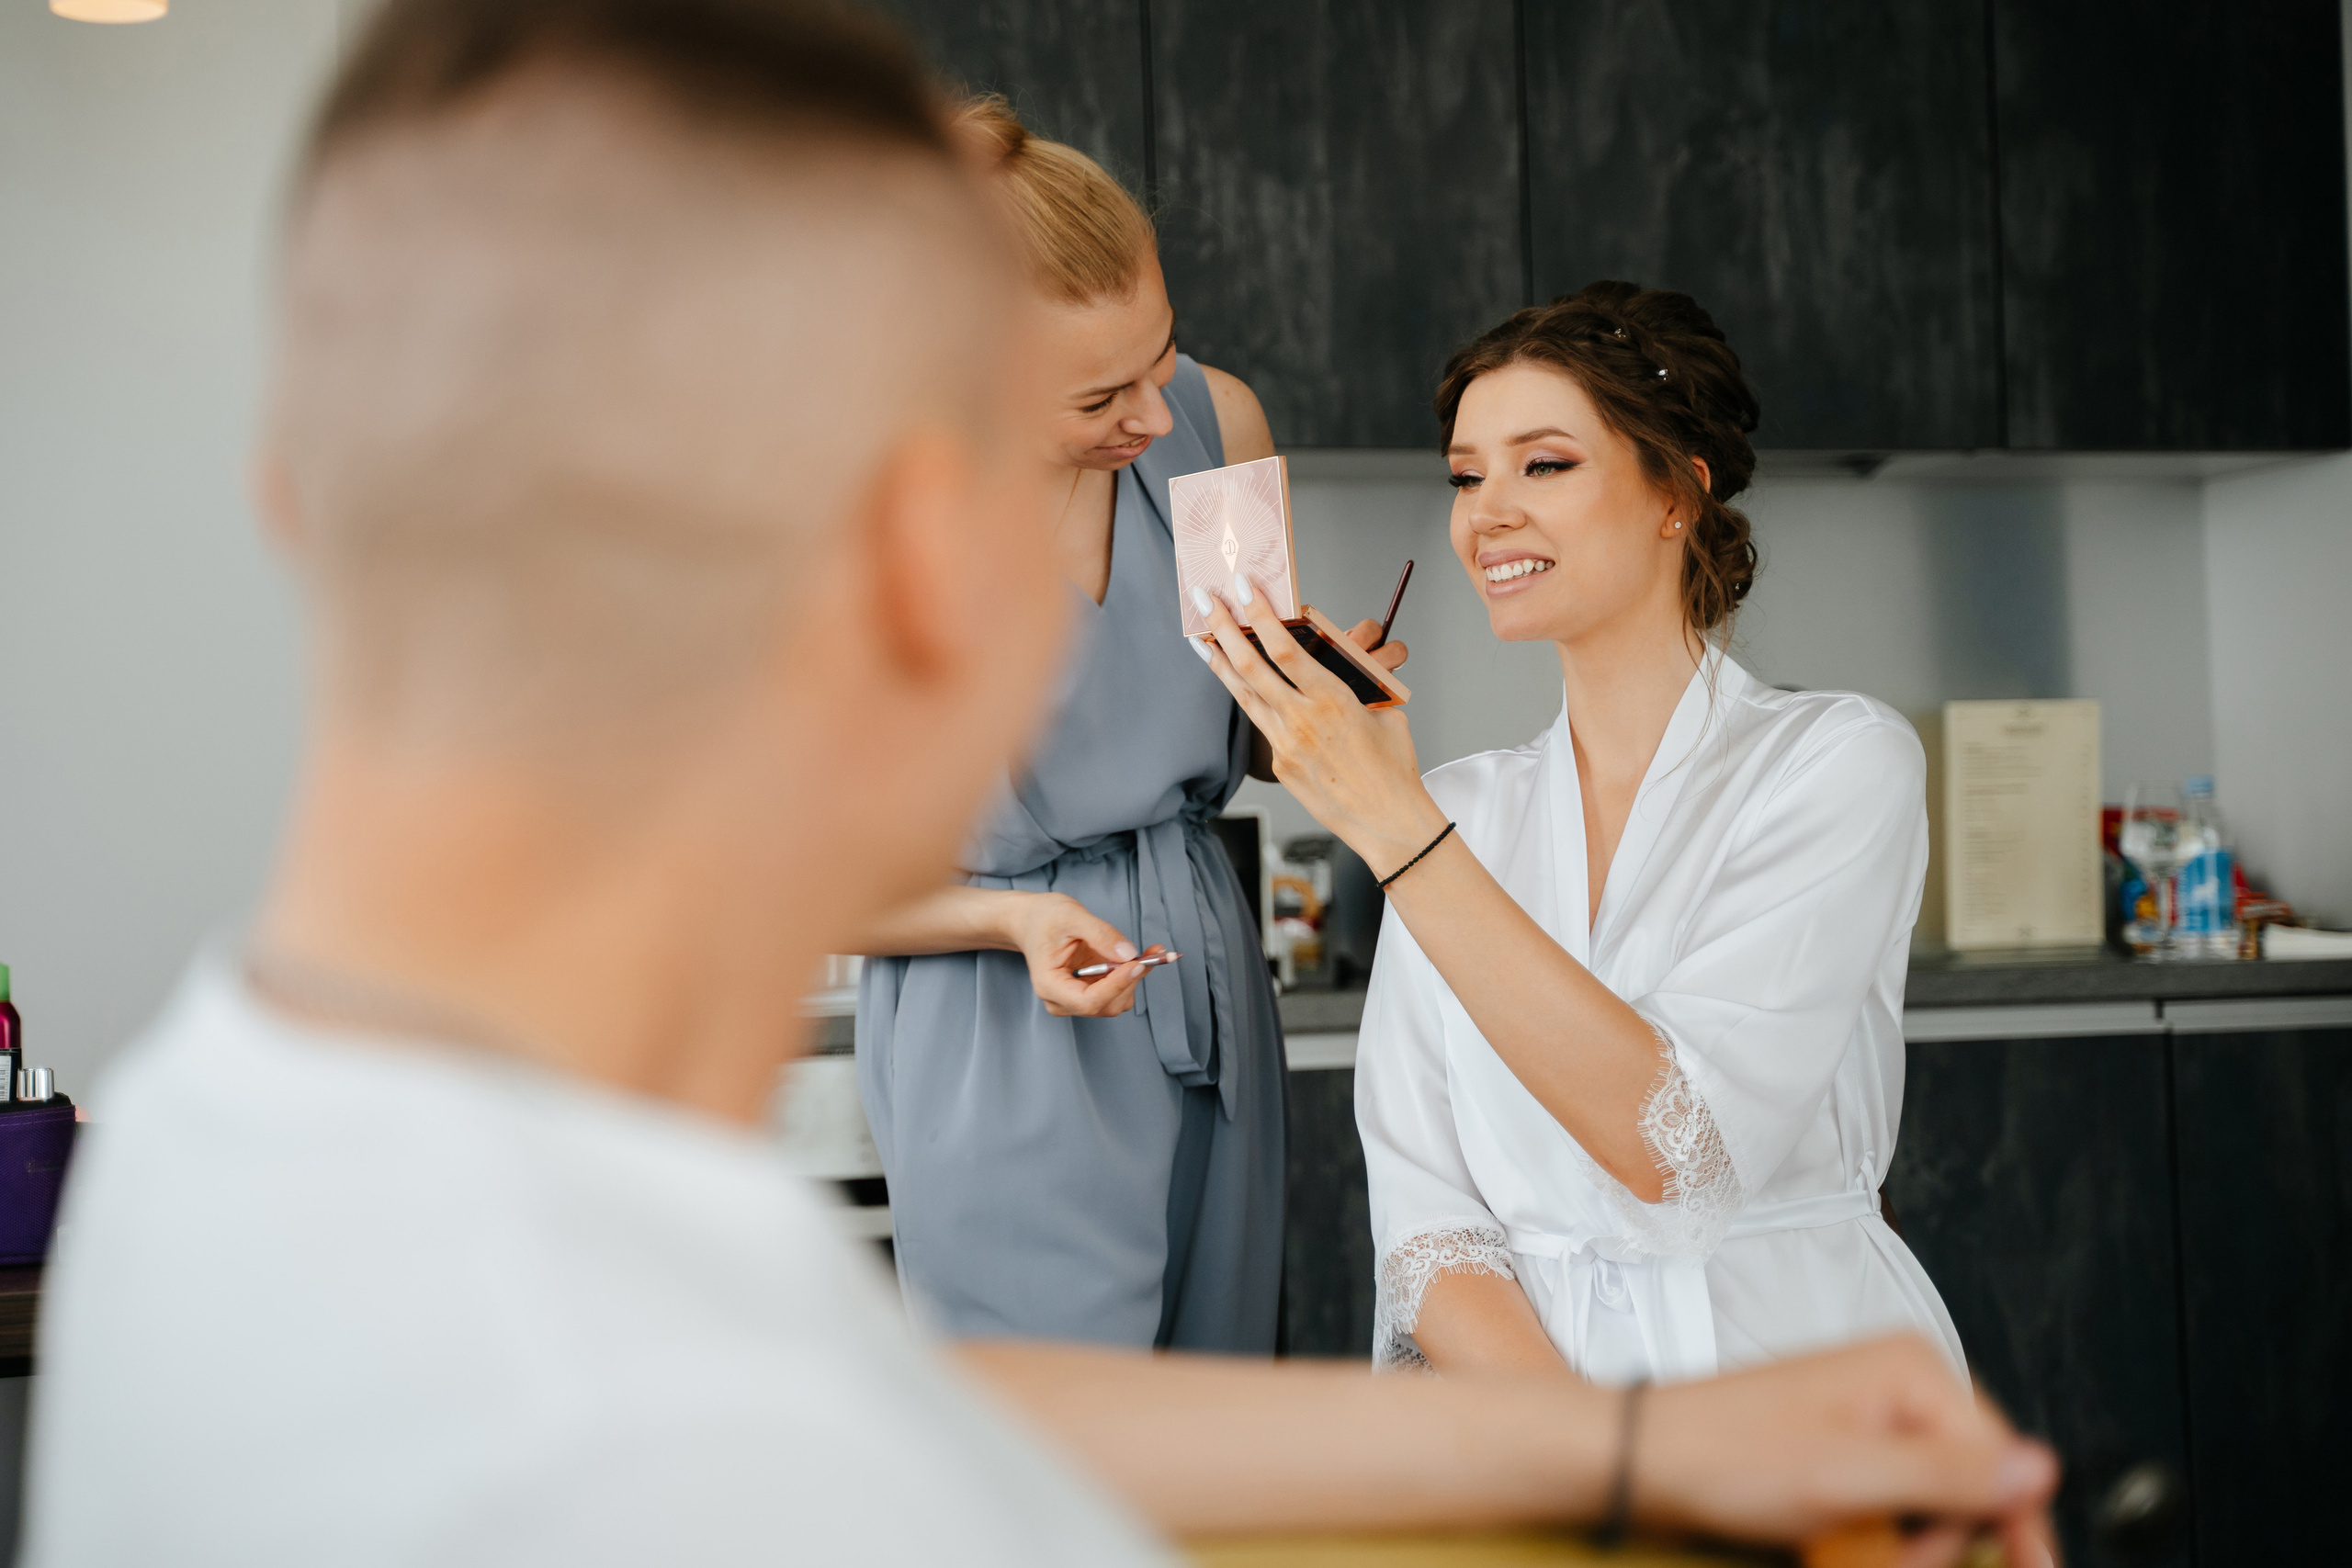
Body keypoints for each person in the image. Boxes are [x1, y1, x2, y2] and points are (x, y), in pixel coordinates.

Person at [22, 4, 2056, 1564]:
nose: (1150, 457)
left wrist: (1622, 1441)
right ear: (921, 561)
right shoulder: (557, 1360)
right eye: (1094, 428)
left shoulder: (250, 1118)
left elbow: (955, 1409)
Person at [1193, 283, 1966, 1385]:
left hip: (1794, 1386)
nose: (1486, 511)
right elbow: (1428, 1230)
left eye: (1542, 464)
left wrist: (1392, 822)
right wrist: (1593, 1469)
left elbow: (1679, 1150)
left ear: (1675, 495)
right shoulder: (1460, 809)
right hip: (1538, 1433)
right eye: (1466, 476)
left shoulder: (1837, 762)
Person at [852, 98, 1400, 1350]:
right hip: (1000, 1005)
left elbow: (1257, 727)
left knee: (1220, 1422)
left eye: (1161, 355)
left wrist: (1321, 688)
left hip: (1206, 970)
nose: (1155, 418)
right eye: (1098, 395)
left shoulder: (1217, 424)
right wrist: (1010, 915)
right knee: (1056, 1458)